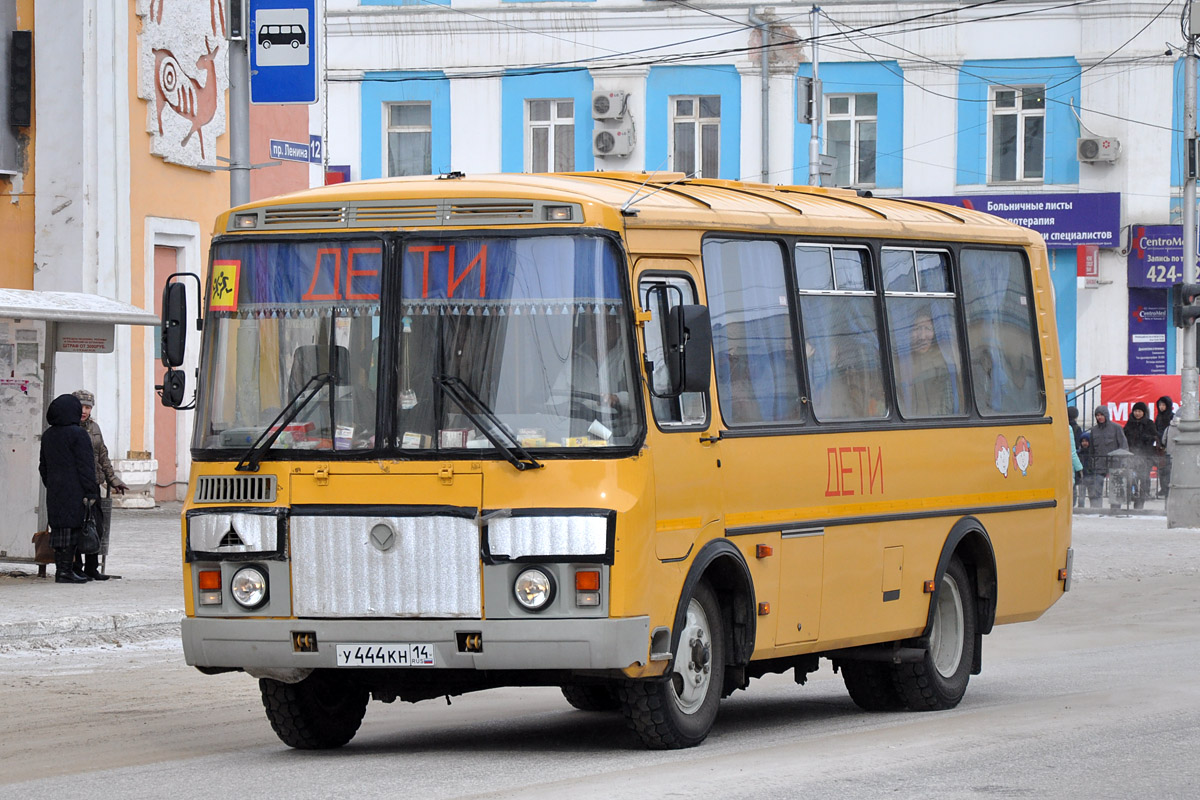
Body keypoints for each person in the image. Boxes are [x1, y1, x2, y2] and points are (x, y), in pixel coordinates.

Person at [38, 394, 100, 584]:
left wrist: (52, 483)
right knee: (72, 529)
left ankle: (62, 570)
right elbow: (85, 466)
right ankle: (65, 572)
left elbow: (43, 466)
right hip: (75, 490)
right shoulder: (78, 434)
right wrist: (91, 490)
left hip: (56, 490)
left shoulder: (48, 434)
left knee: (59, 529)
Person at [72, 389, 128, 580]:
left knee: (96, 526)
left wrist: (113, 479)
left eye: (88, 407)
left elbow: (103, 455)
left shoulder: (94, 428)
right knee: (77, 525)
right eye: (81, 406)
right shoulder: (68, 427)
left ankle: (92, 567)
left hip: (93, 483)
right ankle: (76, 567)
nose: (84, 411)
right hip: (75, 484)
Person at [900, 309, 953, 417]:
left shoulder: (944, 369)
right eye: (917, 329)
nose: (922, 336)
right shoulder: (899, 367)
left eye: (927, 329)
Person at [1088, 406, 1128, 509]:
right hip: (1099, 463)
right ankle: (1096, 509)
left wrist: (1123, 461)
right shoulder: (1094, 430)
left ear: (1106, 415)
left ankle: (1115, 509)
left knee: (1115, 487)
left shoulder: (1116, 428)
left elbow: (1123, 445)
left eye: (1101, 415)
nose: (1099, 417)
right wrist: (1091, 462)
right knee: (1096, 487)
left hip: (1115, 462)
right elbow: (1091, 449)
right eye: (1097, 415)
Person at [1123, 401, 1157, 509]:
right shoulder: (1130, 423)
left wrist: (1146, 438)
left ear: (1144, 412)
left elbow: (1154, 437)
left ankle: (1141, 501)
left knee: (1143, 478)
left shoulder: (1149, 423)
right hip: (1132, 455)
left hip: (1145, 456)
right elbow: (1125, 437)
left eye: (1139, 411)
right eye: (1135, 411)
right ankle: (1132, 497)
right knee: (1131, 478)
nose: (1137, 413)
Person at [1154, 395, 1175, 497]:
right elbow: (1155, 430)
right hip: (1160, 447)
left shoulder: (1172, 417)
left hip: (1170, 446)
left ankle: (1169, 488)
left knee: (1170, 469)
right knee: (1161, 469)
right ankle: (1163, 488)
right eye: (1160, 405)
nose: (1161, 407)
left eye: (1163, 405)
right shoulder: (1158, 417)